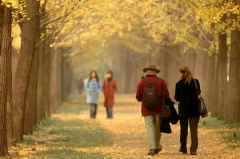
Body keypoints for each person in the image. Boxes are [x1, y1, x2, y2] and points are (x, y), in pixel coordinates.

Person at [136, 65, 170, 156]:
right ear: (155, 72)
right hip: (159, 109)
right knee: (157, 128)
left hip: (146, 109)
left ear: (147, 72)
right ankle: (157, 146)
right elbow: (166, 96)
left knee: (150, 127)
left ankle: (152, 148)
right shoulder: (161, 82)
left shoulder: (142, 82)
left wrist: (144, 100)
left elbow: (138, 97)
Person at [174, 66, 201, 155]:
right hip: (194, 109)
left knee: (184, 130)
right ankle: (193, 150)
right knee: (193, 130)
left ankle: (183, 148)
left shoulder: (179, 84)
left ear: (181, 73)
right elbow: (199, 92)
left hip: (183, 110)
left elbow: (177, 98)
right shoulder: (195, 82)